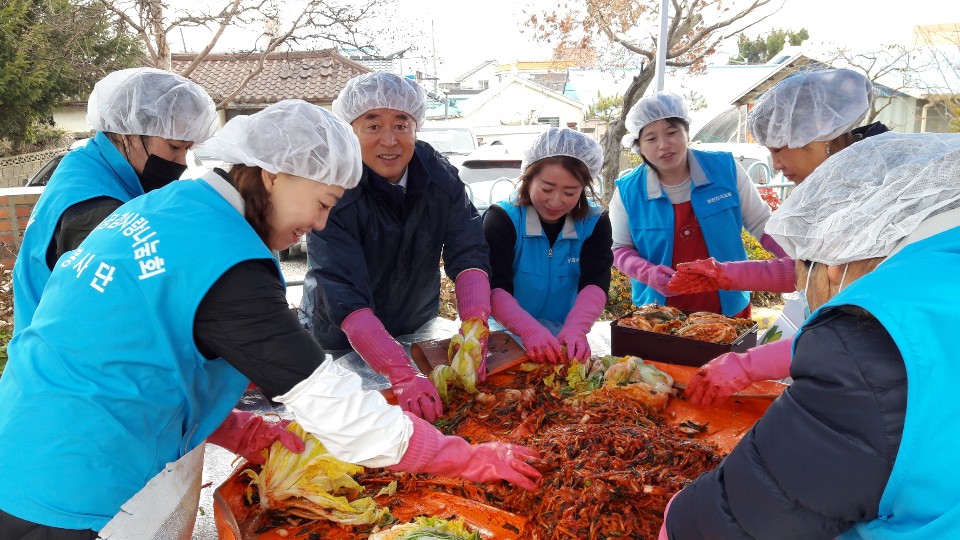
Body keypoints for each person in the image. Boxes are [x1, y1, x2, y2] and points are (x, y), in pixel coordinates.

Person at [0, 100, 540, 539]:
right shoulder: (222, 256)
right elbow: (338, 412)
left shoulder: (170, 208)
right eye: (324, 202)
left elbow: (144, 355)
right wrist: (468, 459)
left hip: (31, 439)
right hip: (72, 481)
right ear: (277, 174)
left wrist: (242, 430)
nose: (320, 223)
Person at [660, 131, 960, 538]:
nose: (805, 288)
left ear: (835, 265)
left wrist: (681, 513)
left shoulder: (863, 345)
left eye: (807, 274)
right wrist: (748, 363)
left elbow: (739, 520)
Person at [669, 69, 890, 406]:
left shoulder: (879, 195)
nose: (774, 165)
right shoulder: (836, 184)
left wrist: (748, 365)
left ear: (819, 136)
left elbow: (852, 326)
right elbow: (809, 272)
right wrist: (723, 274)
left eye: (779, 149)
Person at [299, 72, 491, 423]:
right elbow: (341, 288)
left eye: (401, 125)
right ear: (350, 131)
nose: (390, 140)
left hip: (415, 322)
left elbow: (469, 250)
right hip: (341, 337)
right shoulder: (335, 190)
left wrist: (475, 323)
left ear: (416, 129)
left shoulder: (439, 177)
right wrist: (399, 373)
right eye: (373, 126)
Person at [12, 67, 220, 334]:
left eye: (187, 149)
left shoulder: (89, 161)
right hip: (68, 363)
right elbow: (123, 315)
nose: (181, 162)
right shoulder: (95, 212)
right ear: (128, 133)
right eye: (174, 147)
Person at [609, 90, 781, 319]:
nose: (664, 145)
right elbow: (619, 248)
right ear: (638, 145)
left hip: (728, 306)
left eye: (672, 132)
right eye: (651, 138)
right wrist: (647, 273)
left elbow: (761, 223)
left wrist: (799, 262)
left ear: (687, 132)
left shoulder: (725, 170)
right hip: (658, 314)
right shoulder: (628, 191)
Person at [484, 127, 612, 363]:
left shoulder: (595, 222)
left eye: (570, 192)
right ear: (529, 177)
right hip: (505, 337)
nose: (556, 201)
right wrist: (527, 330)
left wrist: (577, 329)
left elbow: (595, 282)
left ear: (583, 189)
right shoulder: (503, 218)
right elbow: (495, 287)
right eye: (547, 188)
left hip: (564, 338)